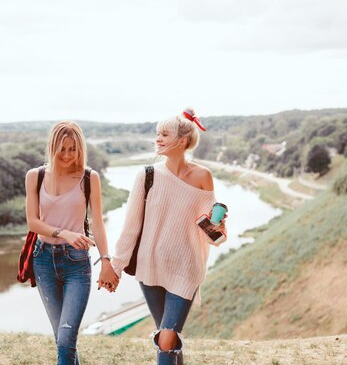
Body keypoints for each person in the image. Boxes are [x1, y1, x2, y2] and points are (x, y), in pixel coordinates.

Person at [112, 108, 227, 365]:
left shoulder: (202, 176)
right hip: (150, 267)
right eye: (157, 134)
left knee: (166, 338)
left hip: (186, 268)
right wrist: (116, 266)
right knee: (170, 338)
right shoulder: (147, 175)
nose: (158, 139)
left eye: (164, 134)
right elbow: (131, 226)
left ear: (182, 141)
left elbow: (209, 232)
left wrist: (218, 228)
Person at [25, 121, 119, 365]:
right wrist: (63, 233)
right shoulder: (35, 177)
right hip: (43, 260)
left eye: (73, 149)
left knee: (66, 339)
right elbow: (33, 222)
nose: (67, 155)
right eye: (62, 148)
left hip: (76, 263)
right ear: (52, 147)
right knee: (62, 340)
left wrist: (106, 261)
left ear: (80, 149)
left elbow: (97, 223)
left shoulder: (89, 178)